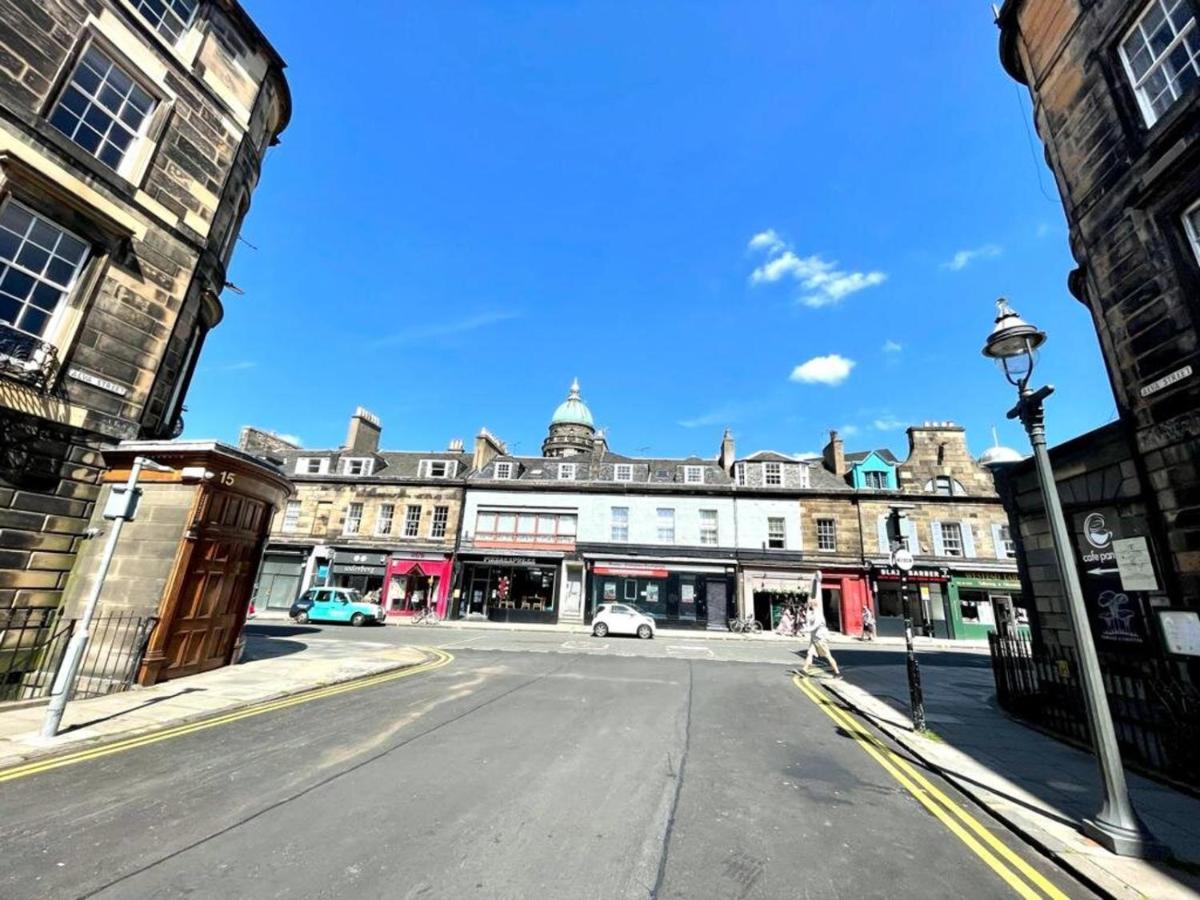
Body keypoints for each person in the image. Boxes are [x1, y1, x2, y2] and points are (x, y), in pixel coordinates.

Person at [800, 597, 841, 678]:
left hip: (820, 639)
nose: (808, 605)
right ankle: (804, 670)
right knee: (810, 654)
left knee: (827, 656)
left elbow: (815, 626)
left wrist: (805, 630)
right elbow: (808, 622)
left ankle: (837, 673)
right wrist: (807, 612)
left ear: (812, 604)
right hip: (814, 638)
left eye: (809, 604)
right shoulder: (812, 613)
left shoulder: (818, 614)